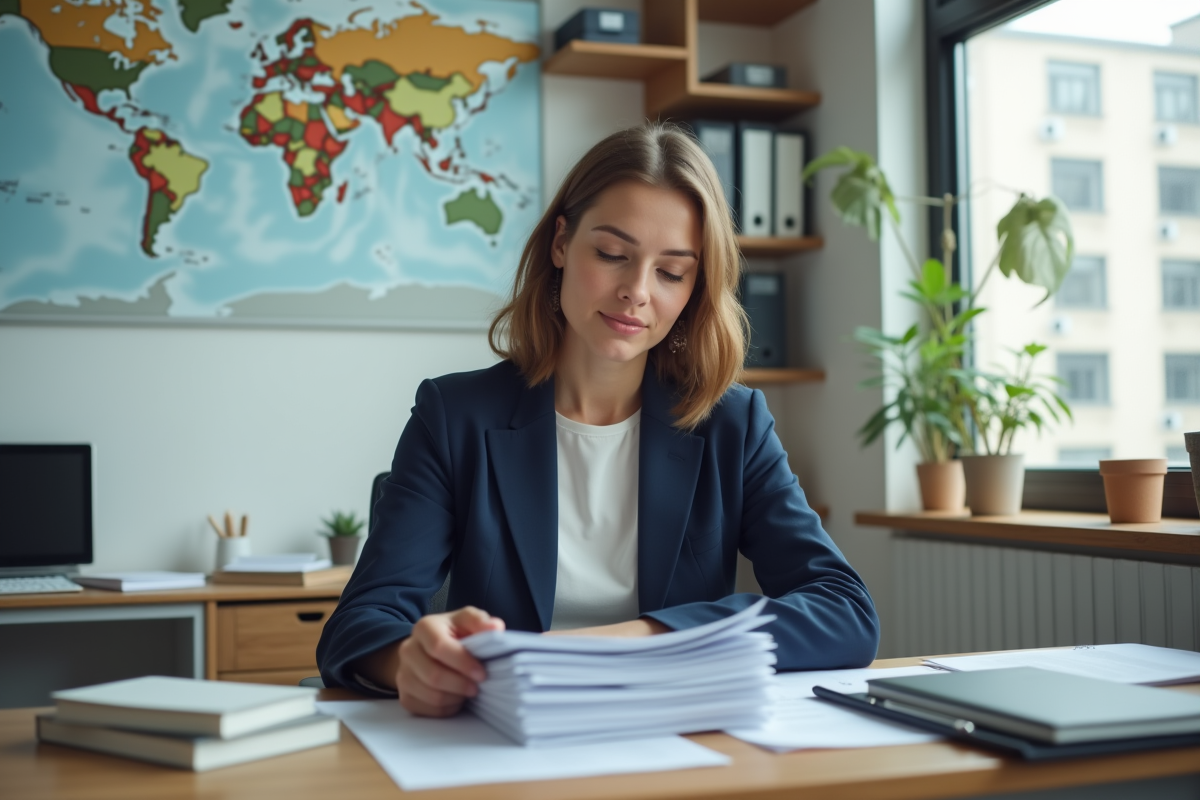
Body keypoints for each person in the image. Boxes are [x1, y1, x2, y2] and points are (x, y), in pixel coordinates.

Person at [316, 122, 880, 718]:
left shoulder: (731, 425)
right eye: (612, 254)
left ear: (696, 286)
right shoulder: (454, 416)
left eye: (671, 272)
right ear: (561, 242)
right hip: (502, 745)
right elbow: (358, 625)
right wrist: (410, 660)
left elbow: (844, 610)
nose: (637, 291)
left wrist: (621, 646)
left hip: (669, 736)